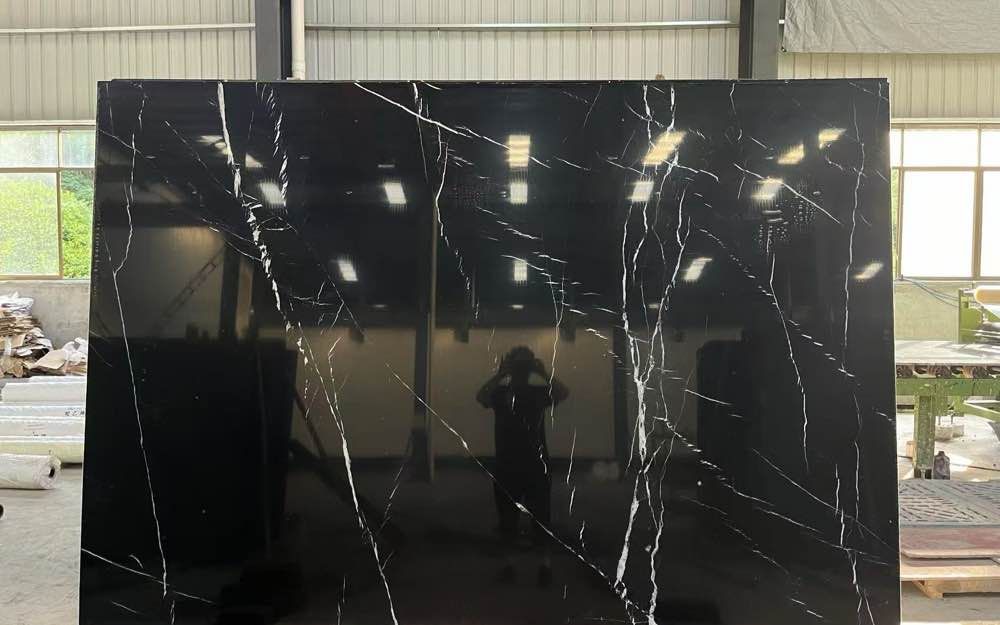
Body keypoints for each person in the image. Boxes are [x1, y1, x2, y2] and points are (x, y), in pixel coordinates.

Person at [476, 346, 569, 587]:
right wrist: (540, 373)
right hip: (520, 465)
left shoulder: (526, 392)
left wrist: (504, 374)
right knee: (520, 518)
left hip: (522, 465)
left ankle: (529, 567)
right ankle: (531, 567)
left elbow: (563, 393)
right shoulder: (513, 392)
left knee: (528, 518)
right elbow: (481, 397)